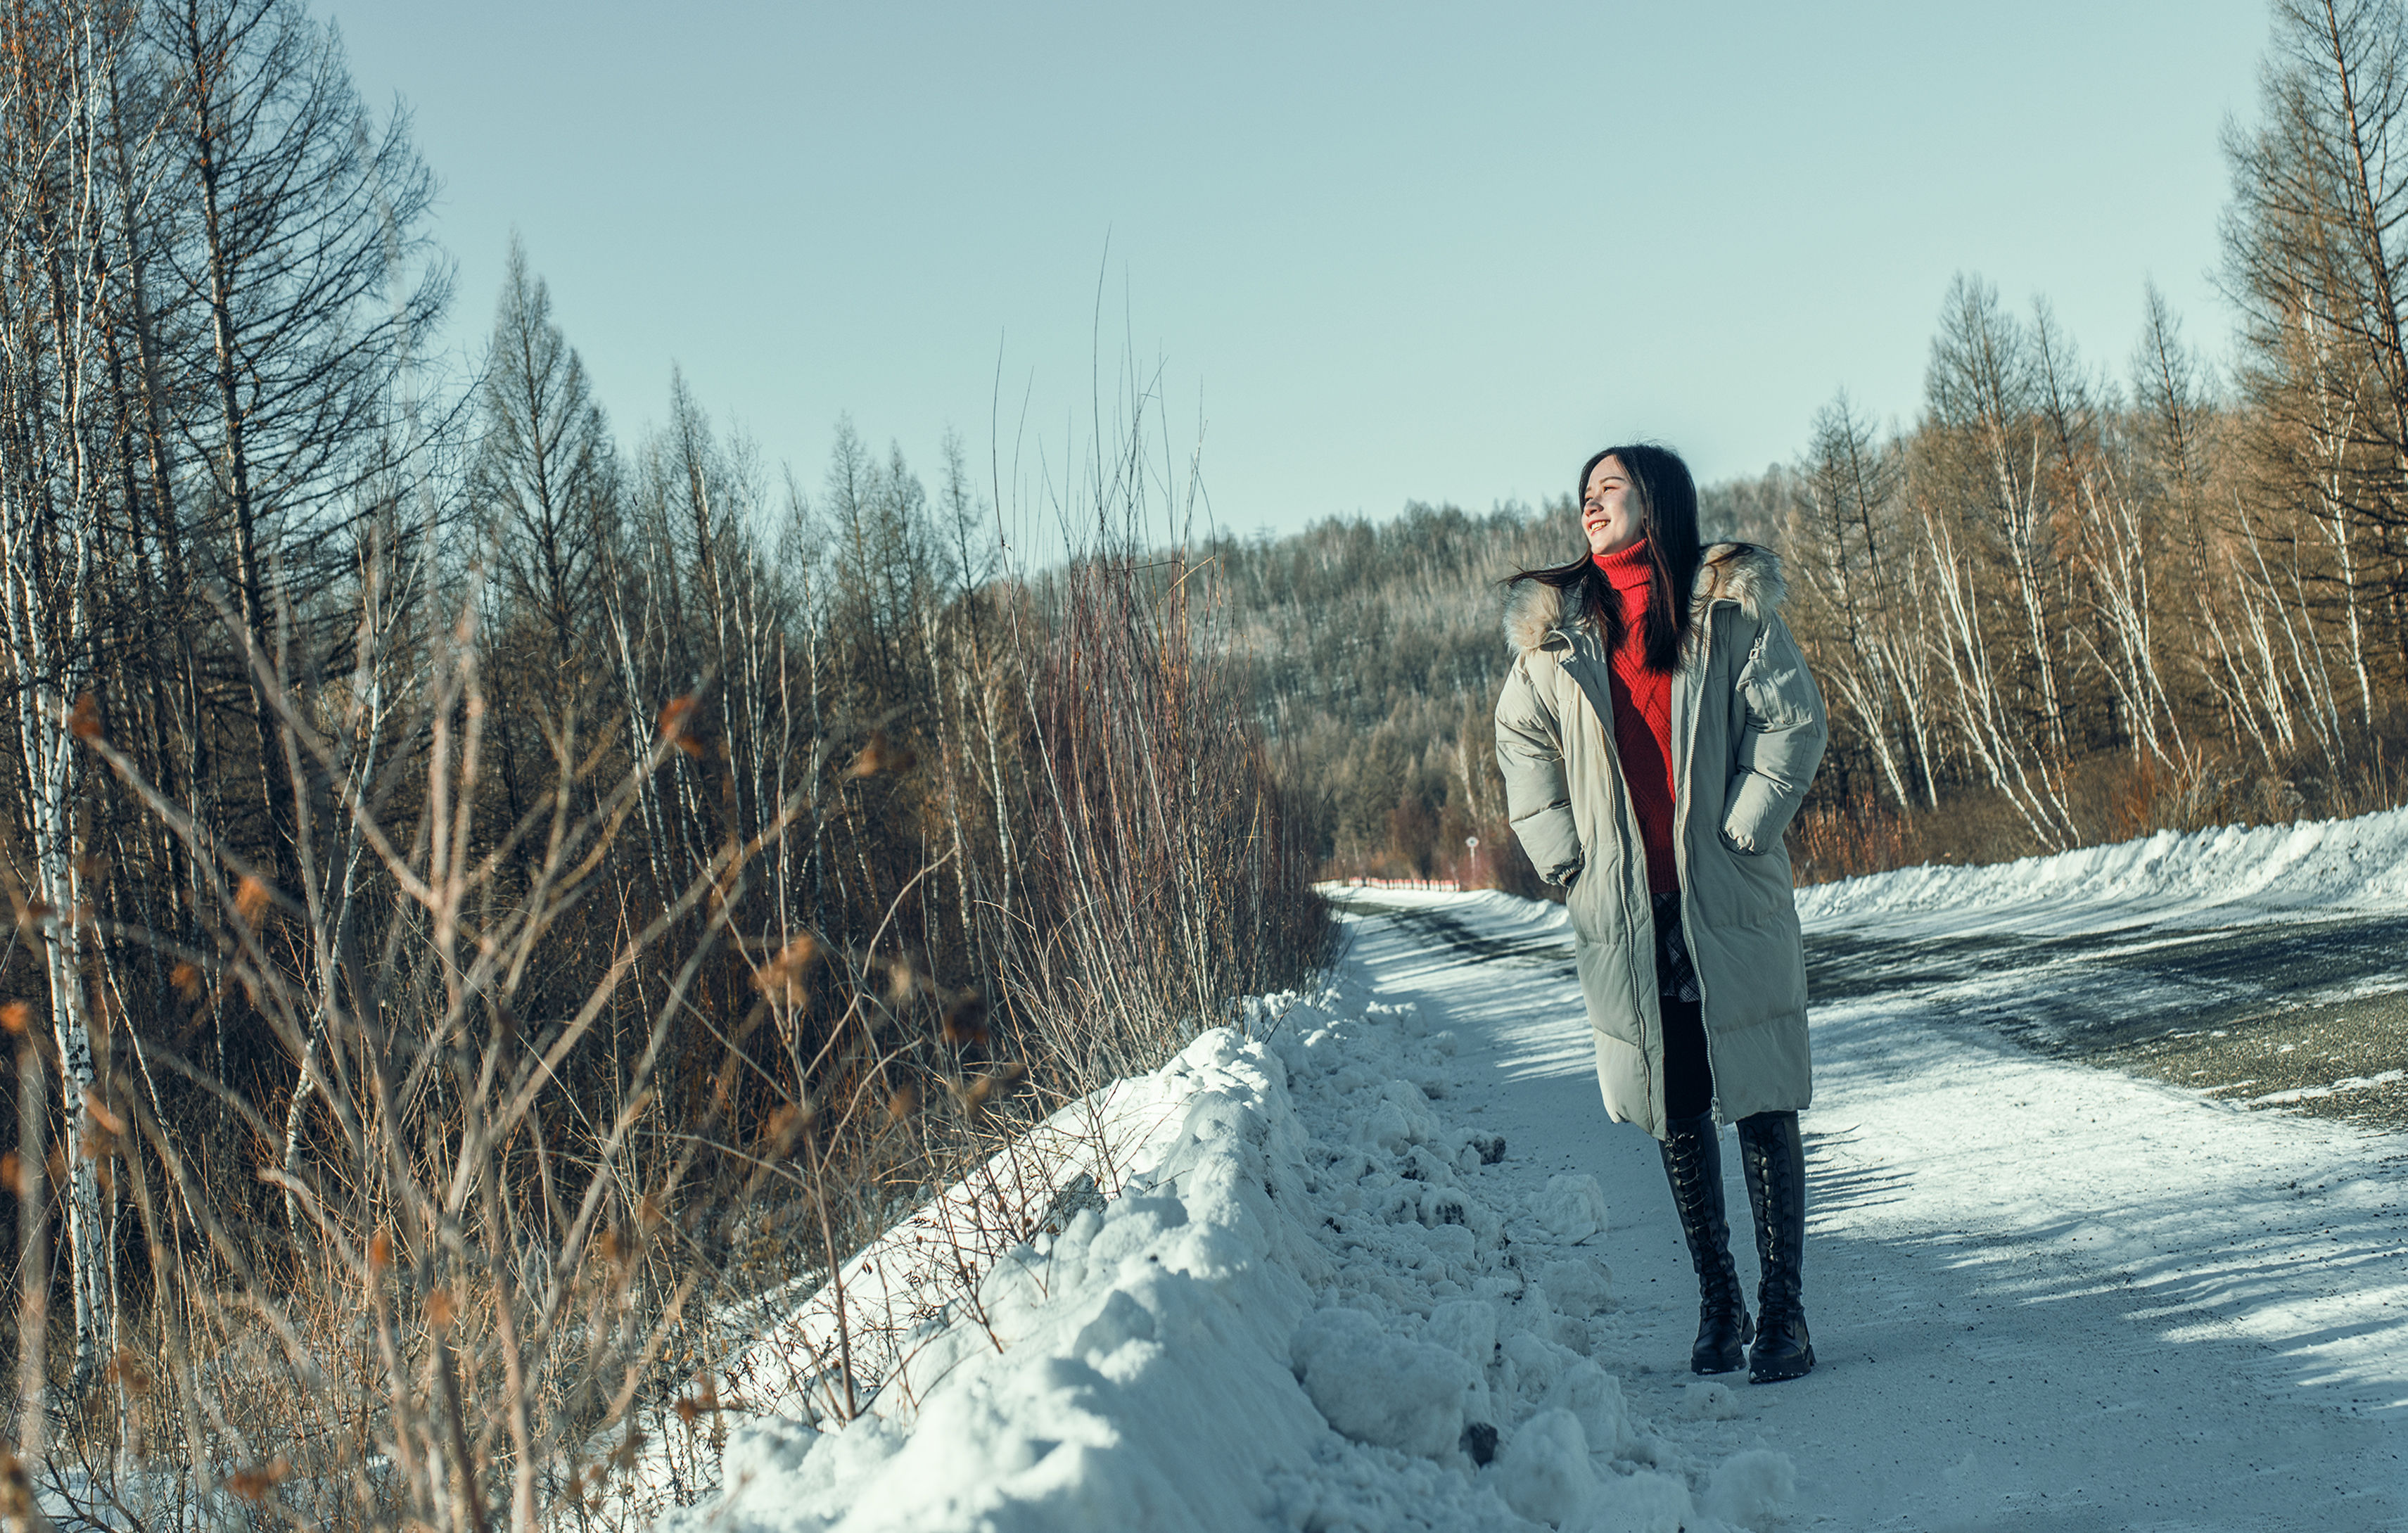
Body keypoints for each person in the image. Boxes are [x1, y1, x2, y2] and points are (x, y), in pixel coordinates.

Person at [1492, 444, 1828, 1384]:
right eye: (1584, 495)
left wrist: (1747, 828)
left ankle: (1786, 1317)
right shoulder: (1563, 636)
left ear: (1657, 501)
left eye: (1609, 489)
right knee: (1677, 1102)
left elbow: (1793, 721)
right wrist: (1567, 857)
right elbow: (1517, 740)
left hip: (1726, 889)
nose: (1590, 506)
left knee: (1760, 1091)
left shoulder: (1725, 613)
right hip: (1629, 909)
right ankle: (1721, 1304)